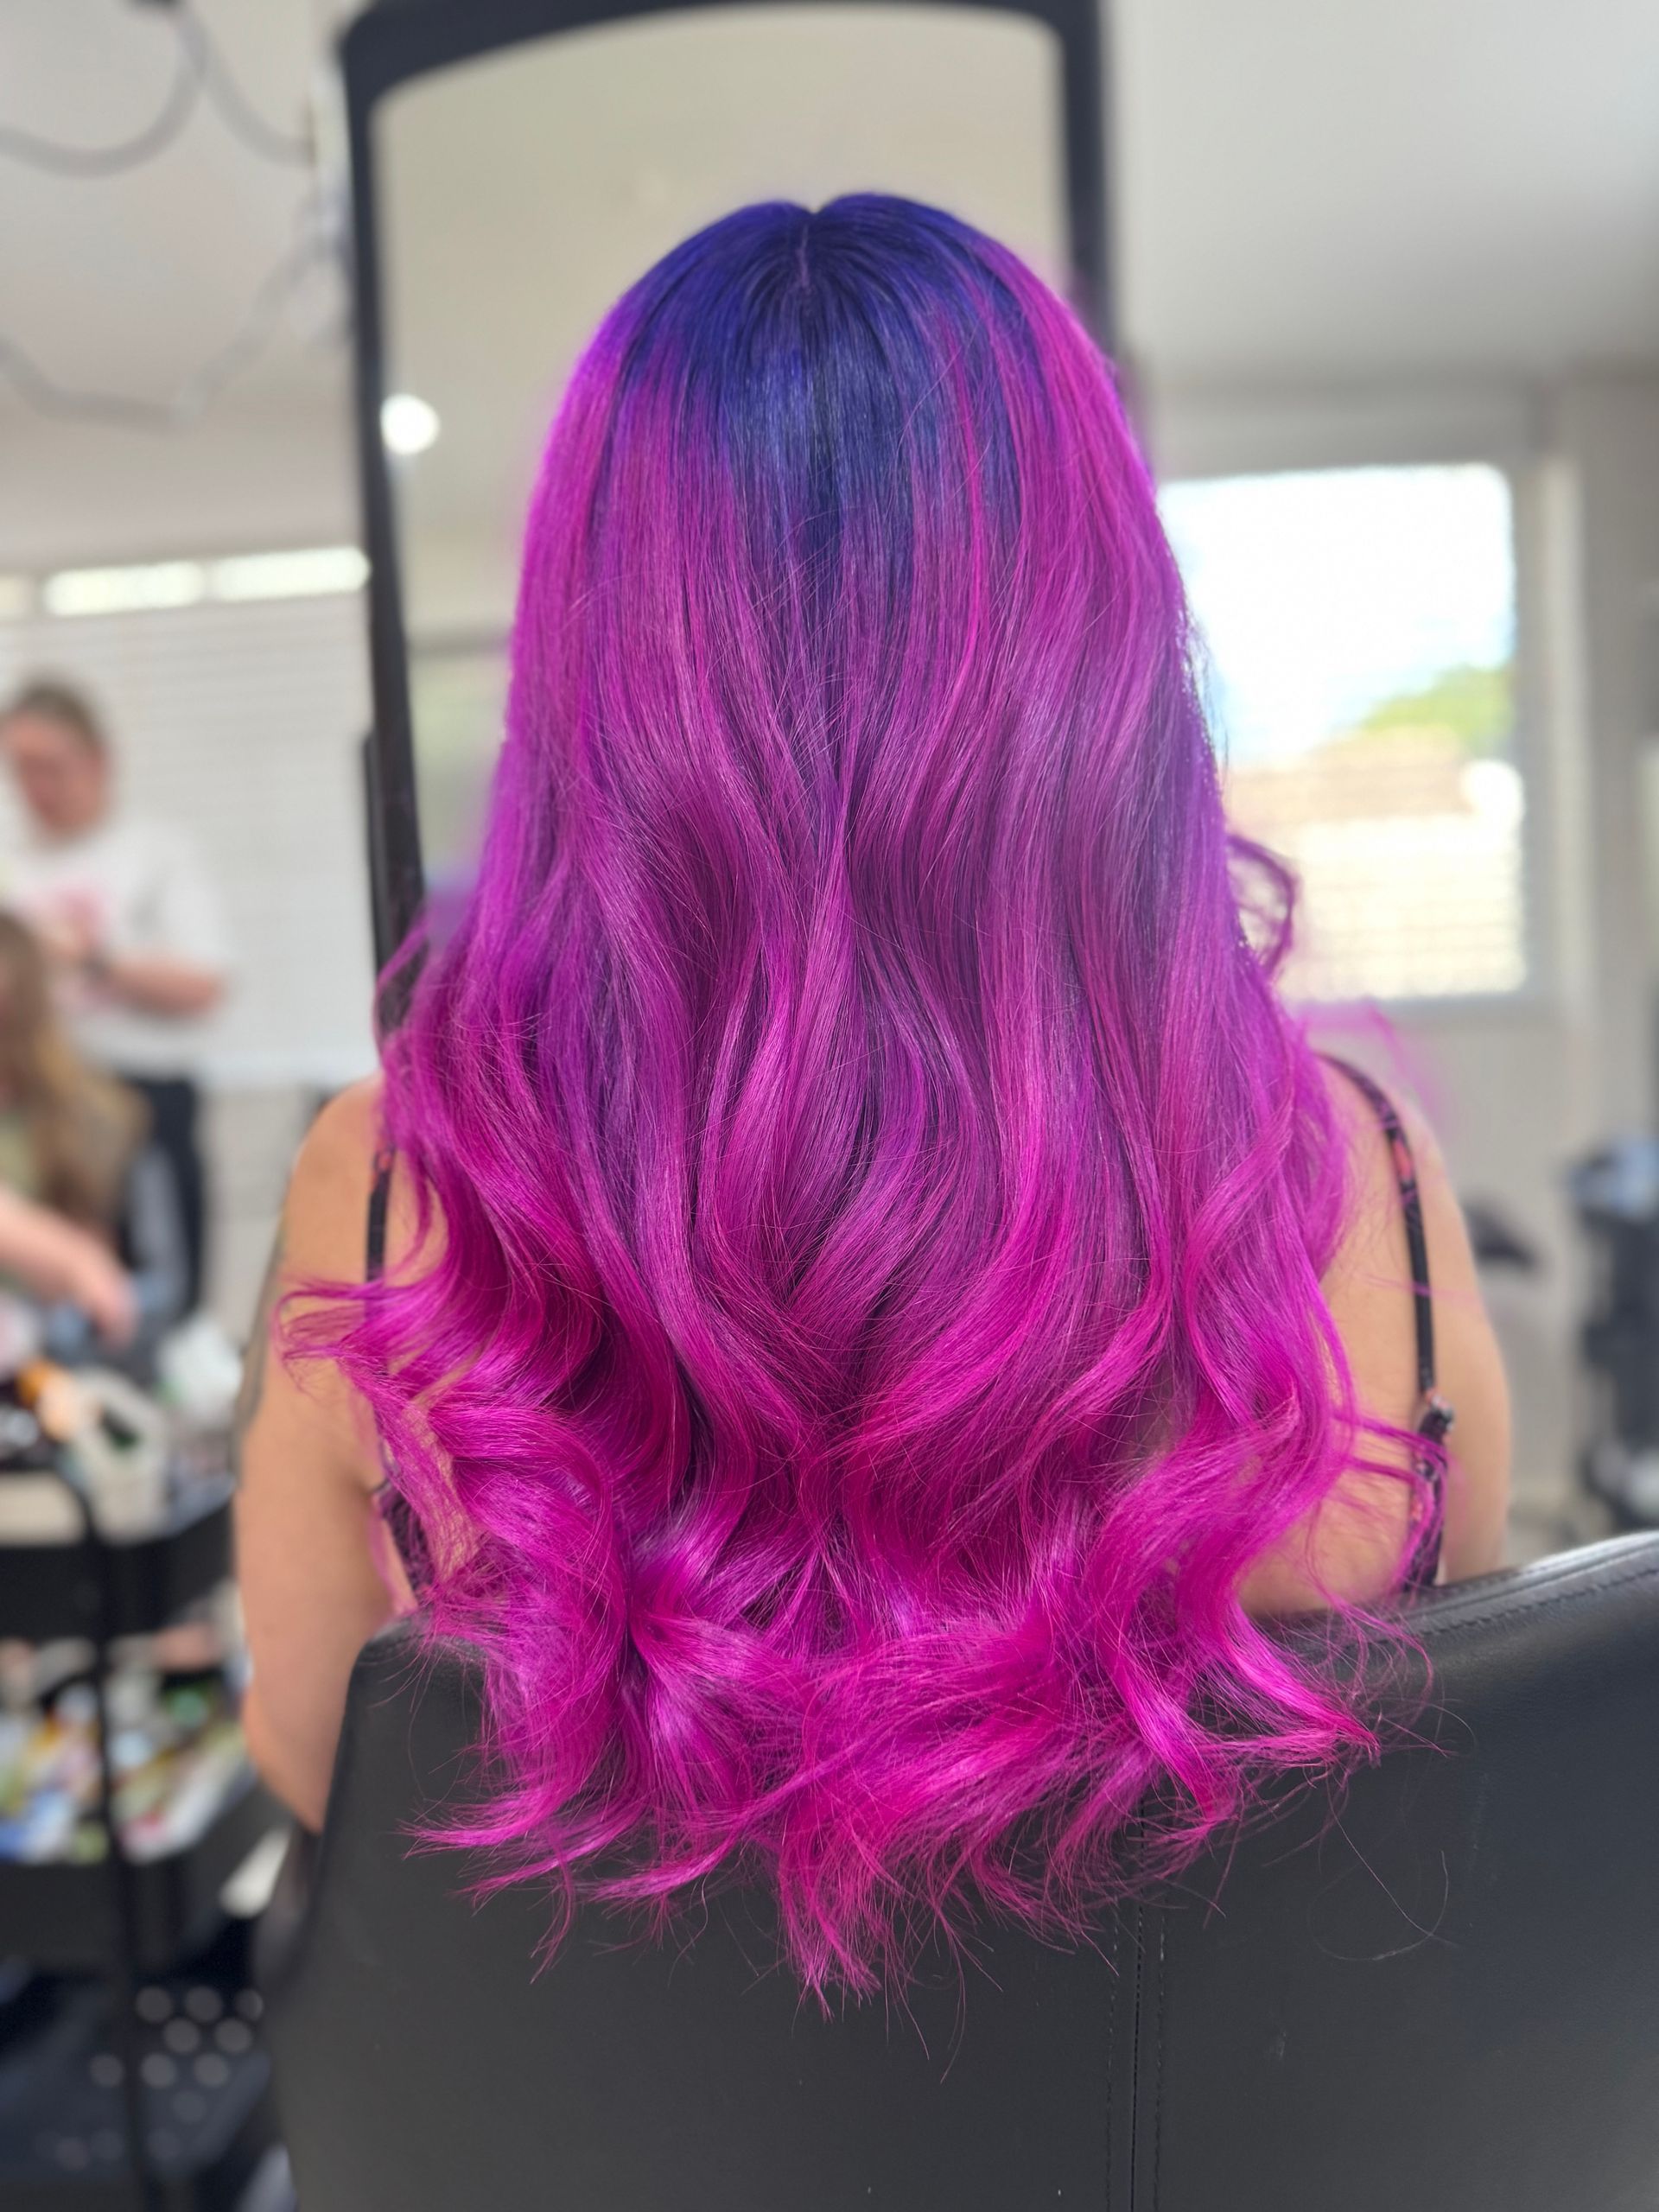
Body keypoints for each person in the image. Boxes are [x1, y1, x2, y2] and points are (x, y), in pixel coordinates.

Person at [236, 200, 1510, 1999]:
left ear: (594, 669)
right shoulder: (1358, 1174)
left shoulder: (383, 1182)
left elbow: (317, 1759)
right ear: (1097, 642)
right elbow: (1455, 1770)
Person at [0, 680, 230, 1313]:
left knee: (152, 1295)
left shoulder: (156, 854)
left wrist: (91, 956)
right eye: (19, 769)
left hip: (140, 1098)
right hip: (37, 1103)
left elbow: (205, 983)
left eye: (49, 766)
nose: (34, 786)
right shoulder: (11, 863)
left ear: (97, 759)